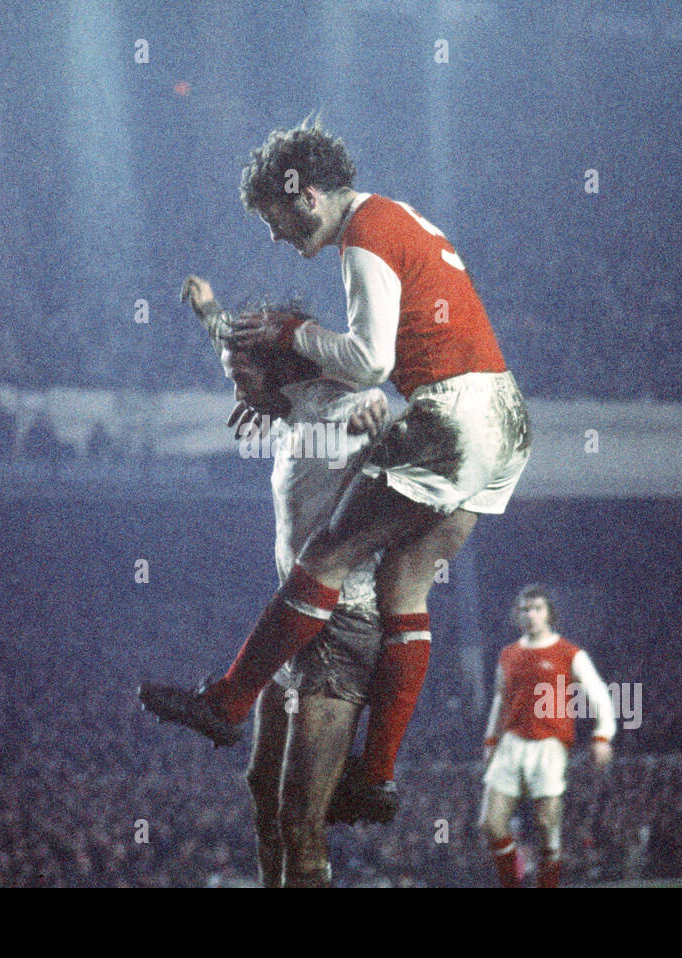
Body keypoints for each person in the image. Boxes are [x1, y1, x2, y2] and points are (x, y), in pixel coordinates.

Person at [140, 115, 531, 819]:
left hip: (452, 410)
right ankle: (375, 779)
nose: (275, 236)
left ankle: (228, 700)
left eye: (274, 217)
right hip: (505, 416)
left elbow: (373, 361)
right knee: (403, 582)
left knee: (329, 552)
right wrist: (218, 317)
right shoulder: (399, 214)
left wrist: (295, 334)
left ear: (307, 195)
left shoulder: (363, 234)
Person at [165, 276, 390, 886]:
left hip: (341, 625)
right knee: (263, 791)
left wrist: (381, 414)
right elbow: (232, 346)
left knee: (300, 819)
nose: (234, 390)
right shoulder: (286, 401)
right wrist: (208, 308)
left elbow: (387, 414)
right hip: (296, 616)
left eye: (243, 379)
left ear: (282, 369)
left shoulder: (344, 405)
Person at [479, 585, 615, 888]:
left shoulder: (569, 652)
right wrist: (491, 740)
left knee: (546, 826)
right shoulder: (508, 654)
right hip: (511, 743)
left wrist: (602, 735)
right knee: (491, 824)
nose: (531, 615)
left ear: (549, 613)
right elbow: (500, 701)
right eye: (526, 609)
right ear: (517, 614)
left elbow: (599, 694)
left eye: (538, 608)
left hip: (550, 745)